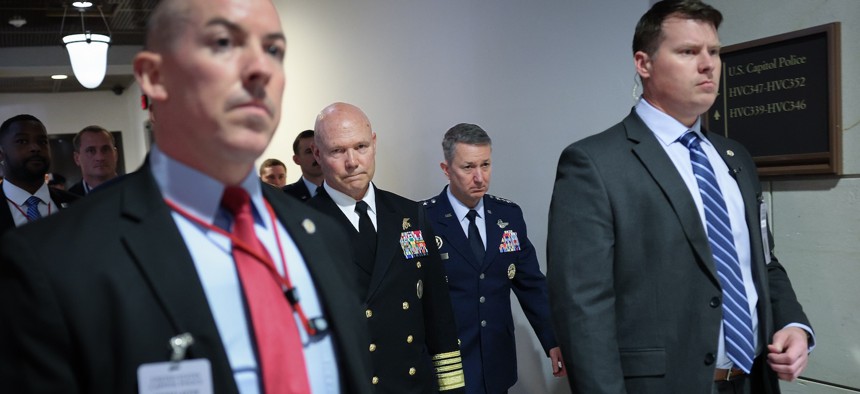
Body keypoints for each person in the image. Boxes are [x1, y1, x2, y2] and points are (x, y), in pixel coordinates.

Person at [0, 1, 373, 393]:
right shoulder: (54, 262)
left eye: (274, 50)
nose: (261, 68)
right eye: (225, 43)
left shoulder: (320, 237)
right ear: (155, 76)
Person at [547, 1, 814, 393]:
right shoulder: (594, 164)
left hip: (754, 380)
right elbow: (582, 309)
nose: (708, 64)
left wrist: (793, 323)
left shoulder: (735, 157)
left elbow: (763, 262)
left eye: (714, 52)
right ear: (644, 63)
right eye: (688, 52)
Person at [309, 102, 466, 393]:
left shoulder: (411, 215)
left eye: (361, 146)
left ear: (375, 144)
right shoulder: (301, 225)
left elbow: (438, 314)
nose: (353, 161)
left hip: (413, 385)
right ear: (318, 154)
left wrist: (452, 388)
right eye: (337, 151)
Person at [423, 123, 565, 393]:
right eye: (468, 167)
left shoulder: (508, 216)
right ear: (446, 170)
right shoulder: (424, 220)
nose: (480, 177)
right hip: (449, 367)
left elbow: (531, 284)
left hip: (495, 362)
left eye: (485, 165)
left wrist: (553, 340)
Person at [0, 114, 78, 235]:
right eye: (22, 141)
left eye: (42, 142)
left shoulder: (77, 205)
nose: (35, 147)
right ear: (1, 153)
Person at [68, 125, 120, 196]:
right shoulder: (69, 199)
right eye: (91, 151)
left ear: (115, 154)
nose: (100, 157)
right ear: (77, 158)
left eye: (105, 149)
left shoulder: (136, 191)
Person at [283, 129, 323, 201]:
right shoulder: (285, 196)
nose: (316, 155)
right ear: (296, 160)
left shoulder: (343, 191)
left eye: (319, 150)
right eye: (309, 151)